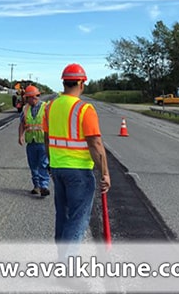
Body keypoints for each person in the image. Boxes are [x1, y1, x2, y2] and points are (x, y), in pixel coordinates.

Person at [43, 63, 111, 259]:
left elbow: (47, 139)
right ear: (81, 83)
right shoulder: (84, 109)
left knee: (63, 218)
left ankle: (62, 258)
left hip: (57, 169)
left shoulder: (50, 107)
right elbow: (96, 144)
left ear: (64, 83)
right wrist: (105, 173)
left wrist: (51, 162)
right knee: (77, 220)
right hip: (79, 172)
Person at [18, 85, 50, 196]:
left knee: (43, 164)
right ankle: (37, 186)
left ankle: (44, 186)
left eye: (28, 97)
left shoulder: (46, 108)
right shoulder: (25, 109)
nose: (27, 100)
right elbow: (22, 123)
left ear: (33, 97)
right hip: (31, 142)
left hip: (43, 142)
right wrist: (20, 136)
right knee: (33, 166)